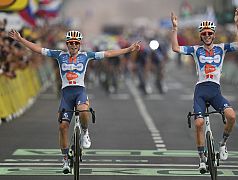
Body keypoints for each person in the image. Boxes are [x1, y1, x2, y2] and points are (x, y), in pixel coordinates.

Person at [9, 29, 140, 174]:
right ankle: (65, 159)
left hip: (79, 92)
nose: (73, 45)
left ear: (79, 44)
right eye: (70, 43)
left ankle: (85, 132)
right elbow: (39, 49)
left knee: (84, 111)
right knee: (63, 127)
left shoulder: (86, 56)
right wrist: (21, 40)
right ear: (67, 44)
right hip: (66, 94)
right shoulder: (59, 55)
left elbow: (108, 53)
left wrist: (128, 49)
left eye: (76, 43)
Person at [170, 8, 238, 174]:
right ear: (200, 36)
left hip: (215, 91)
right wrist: (175, 28)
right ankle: (202, 159)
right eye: (203, 34)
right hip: (201, 90)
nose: (207, 36)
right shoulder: (196, 50)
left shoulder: (222, 48)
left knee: (232, 116)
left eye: (209, 33)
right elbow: (175, 48)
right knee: (199, 123)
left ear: (214, 34)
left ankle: (223, 145)